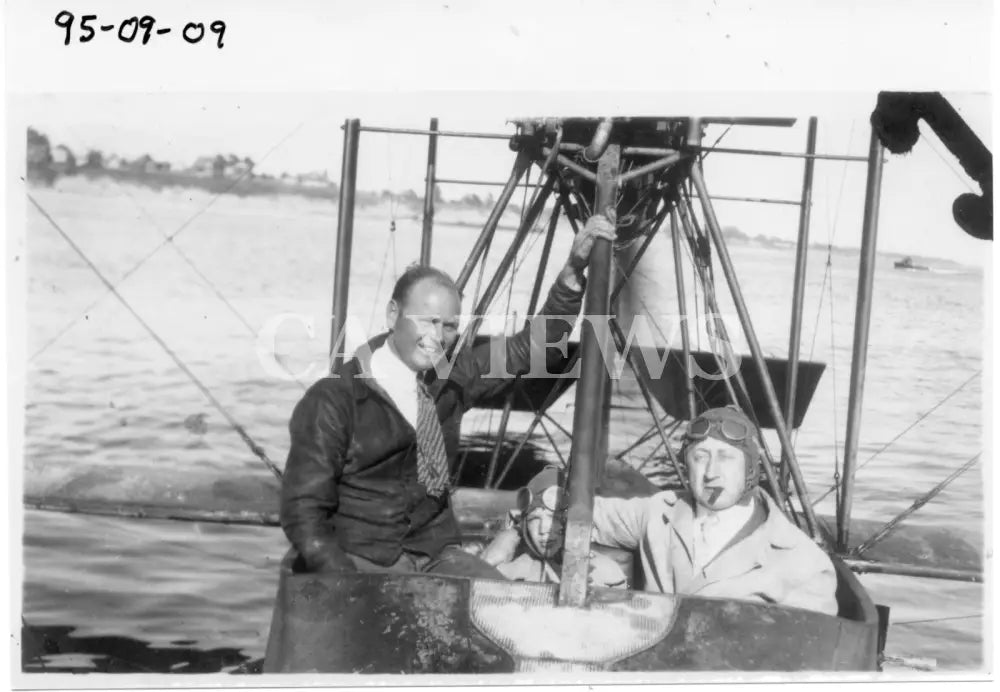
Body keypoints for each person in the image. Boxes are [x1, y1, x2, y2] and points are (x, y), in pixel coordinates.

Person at [280, 212, 617, 577]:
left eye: (451, 326)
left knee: (499, 609)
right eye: (427, 321)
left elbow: (532, 348)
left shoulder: (450, 380)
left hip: (434, 553)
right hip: (361, 560)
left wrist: (571, 273)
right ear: (393, 315)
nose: (438, 337)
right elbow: (303, 512)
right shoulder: (333, 400)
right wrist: (342, 581)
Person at [590, 406, 839, 615]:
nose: (711, 473)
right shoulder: (658, 512)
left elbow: (811, 659)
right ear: (686, 465)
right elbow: (583, 515)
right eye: (700, 457)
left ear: (751, 468)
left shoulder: (803, 563)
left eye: (726, 458)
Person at [479, 467, 628, 588]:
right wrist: (509, 536)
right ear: (524, 525)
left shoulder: (606, 573)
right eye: (534, 519)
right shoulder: (508, 572)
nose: (544, 529)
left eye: (554, 518)